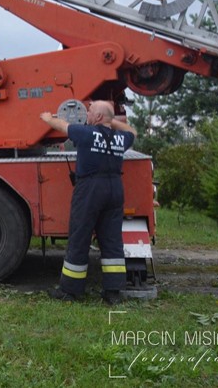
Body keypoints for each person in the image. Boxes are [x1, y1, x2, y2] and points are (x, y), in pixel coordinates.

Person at [39, 101, 137, 304]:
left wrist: (48, 118)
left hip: (91, 189)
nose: (86, 114)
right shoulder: (121, 138)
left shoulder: (87, 133)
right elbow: (132, 131)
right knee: (111, 240)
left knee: (79, 236)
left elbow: (62, 126)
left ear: (99, 118)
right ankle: (113, 292)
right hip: (114, 189)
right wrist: (113, 121)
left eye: (90, 112)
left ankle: (70, 291)